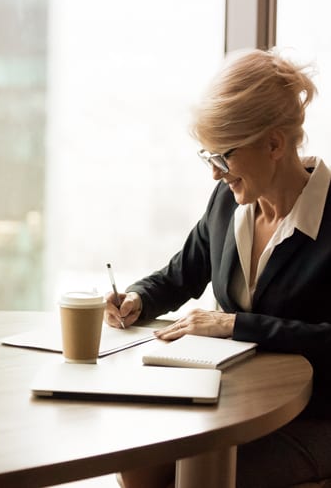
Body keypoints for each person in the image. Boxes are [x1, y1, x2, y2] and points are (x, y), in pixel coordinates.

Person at [106, 49, 331, 488]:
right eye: (207, 156)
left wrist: (234, 324)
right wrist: (138, 298)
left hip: (312, 417)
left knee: (200, 477)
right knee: (137, 462)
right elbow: (179, 276)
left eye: (223, 157)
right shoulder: (229, 204)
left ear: (273, 144)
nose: (214, 173)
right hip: (234, 403)